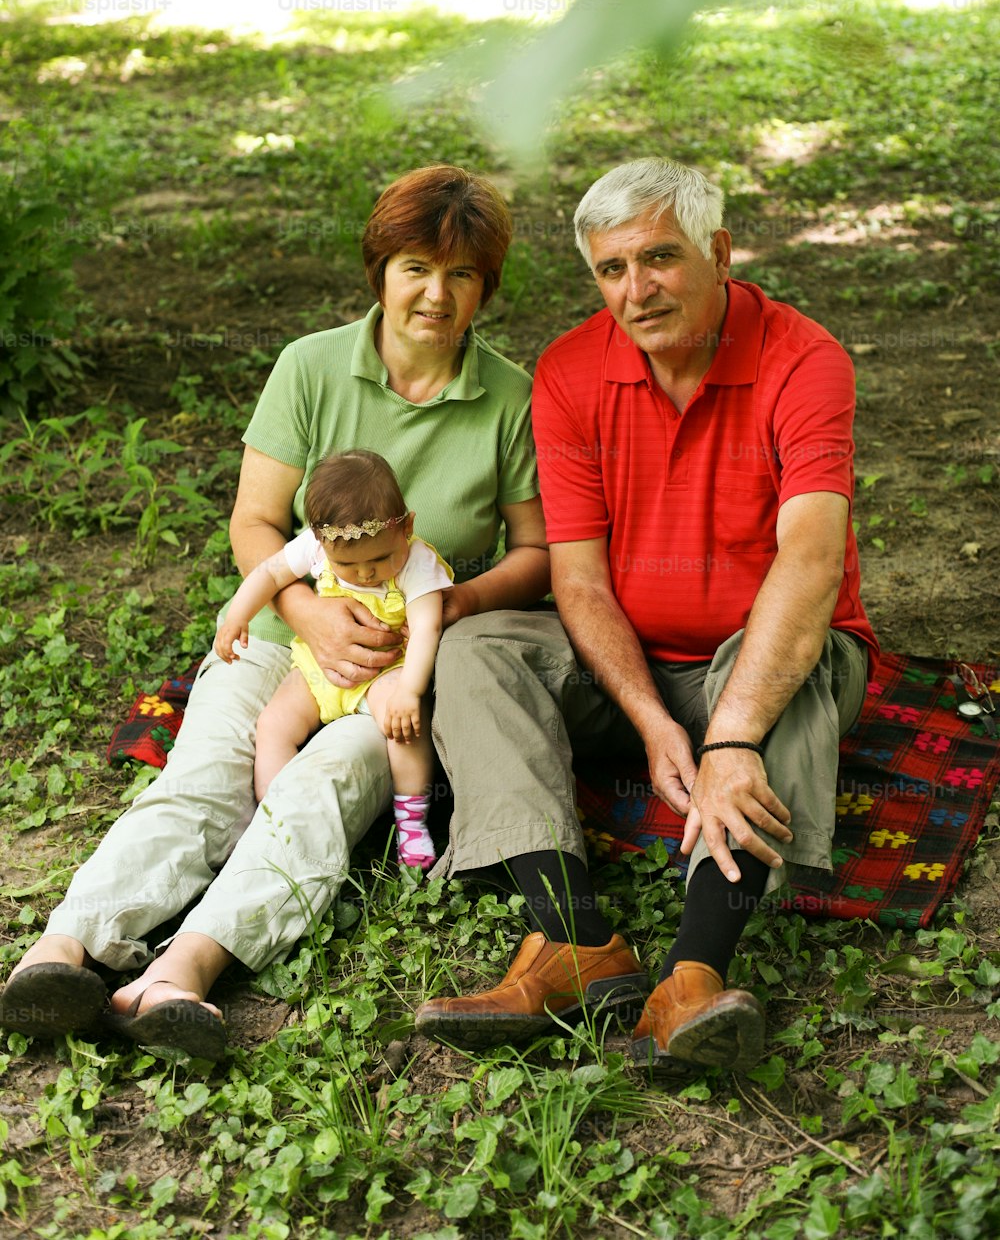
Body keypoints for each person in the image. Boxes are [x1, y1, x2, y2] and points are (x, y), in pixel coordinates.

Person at [0, 165, 552, 1060]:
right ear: (380, 269)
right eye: (416, 266)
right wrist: (307, 614)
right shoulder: (310, 365)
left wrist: (440, 610)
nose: (436, 293)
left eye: (462, 275)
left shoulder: (510, 398)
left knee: (321, 787)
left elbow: (538, 555)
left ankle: (183, 975)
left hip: (395, 677)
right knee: (205, 775)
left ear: (486, 287)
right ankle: (62, 953)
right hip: (278, 644)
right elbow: (255, 522)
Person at [415, 157, 876, 1073]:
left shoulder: (804, 359)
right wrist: (653, 721)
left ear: (720, 251)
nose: (637, 289)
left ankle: (691, 980)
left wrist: (730, 736)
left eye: (659, 258)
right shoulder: (571, 370)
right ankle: (574, 944)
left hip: (763, 660)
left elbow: (813, 560)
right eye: (612, 269)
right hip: (631, 660)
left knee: (797, 664)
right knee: (475, 648)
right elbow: (578, 580)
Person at [214, 449, 454, 869]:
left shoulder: (417, 562)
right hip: (321, 667)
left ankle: (412, 822)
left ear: (407, 527)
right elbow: (270, 573)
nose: (364, 574)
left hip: (387, 670)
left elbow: (427, 627)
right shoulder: (317, 545)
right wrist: (238, 612)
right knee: (273, 724)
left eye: (380, 559)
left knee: (404, 729)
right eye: (347, 564)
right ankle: (274, 815)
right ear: (321, 542)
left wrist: (410, 690)